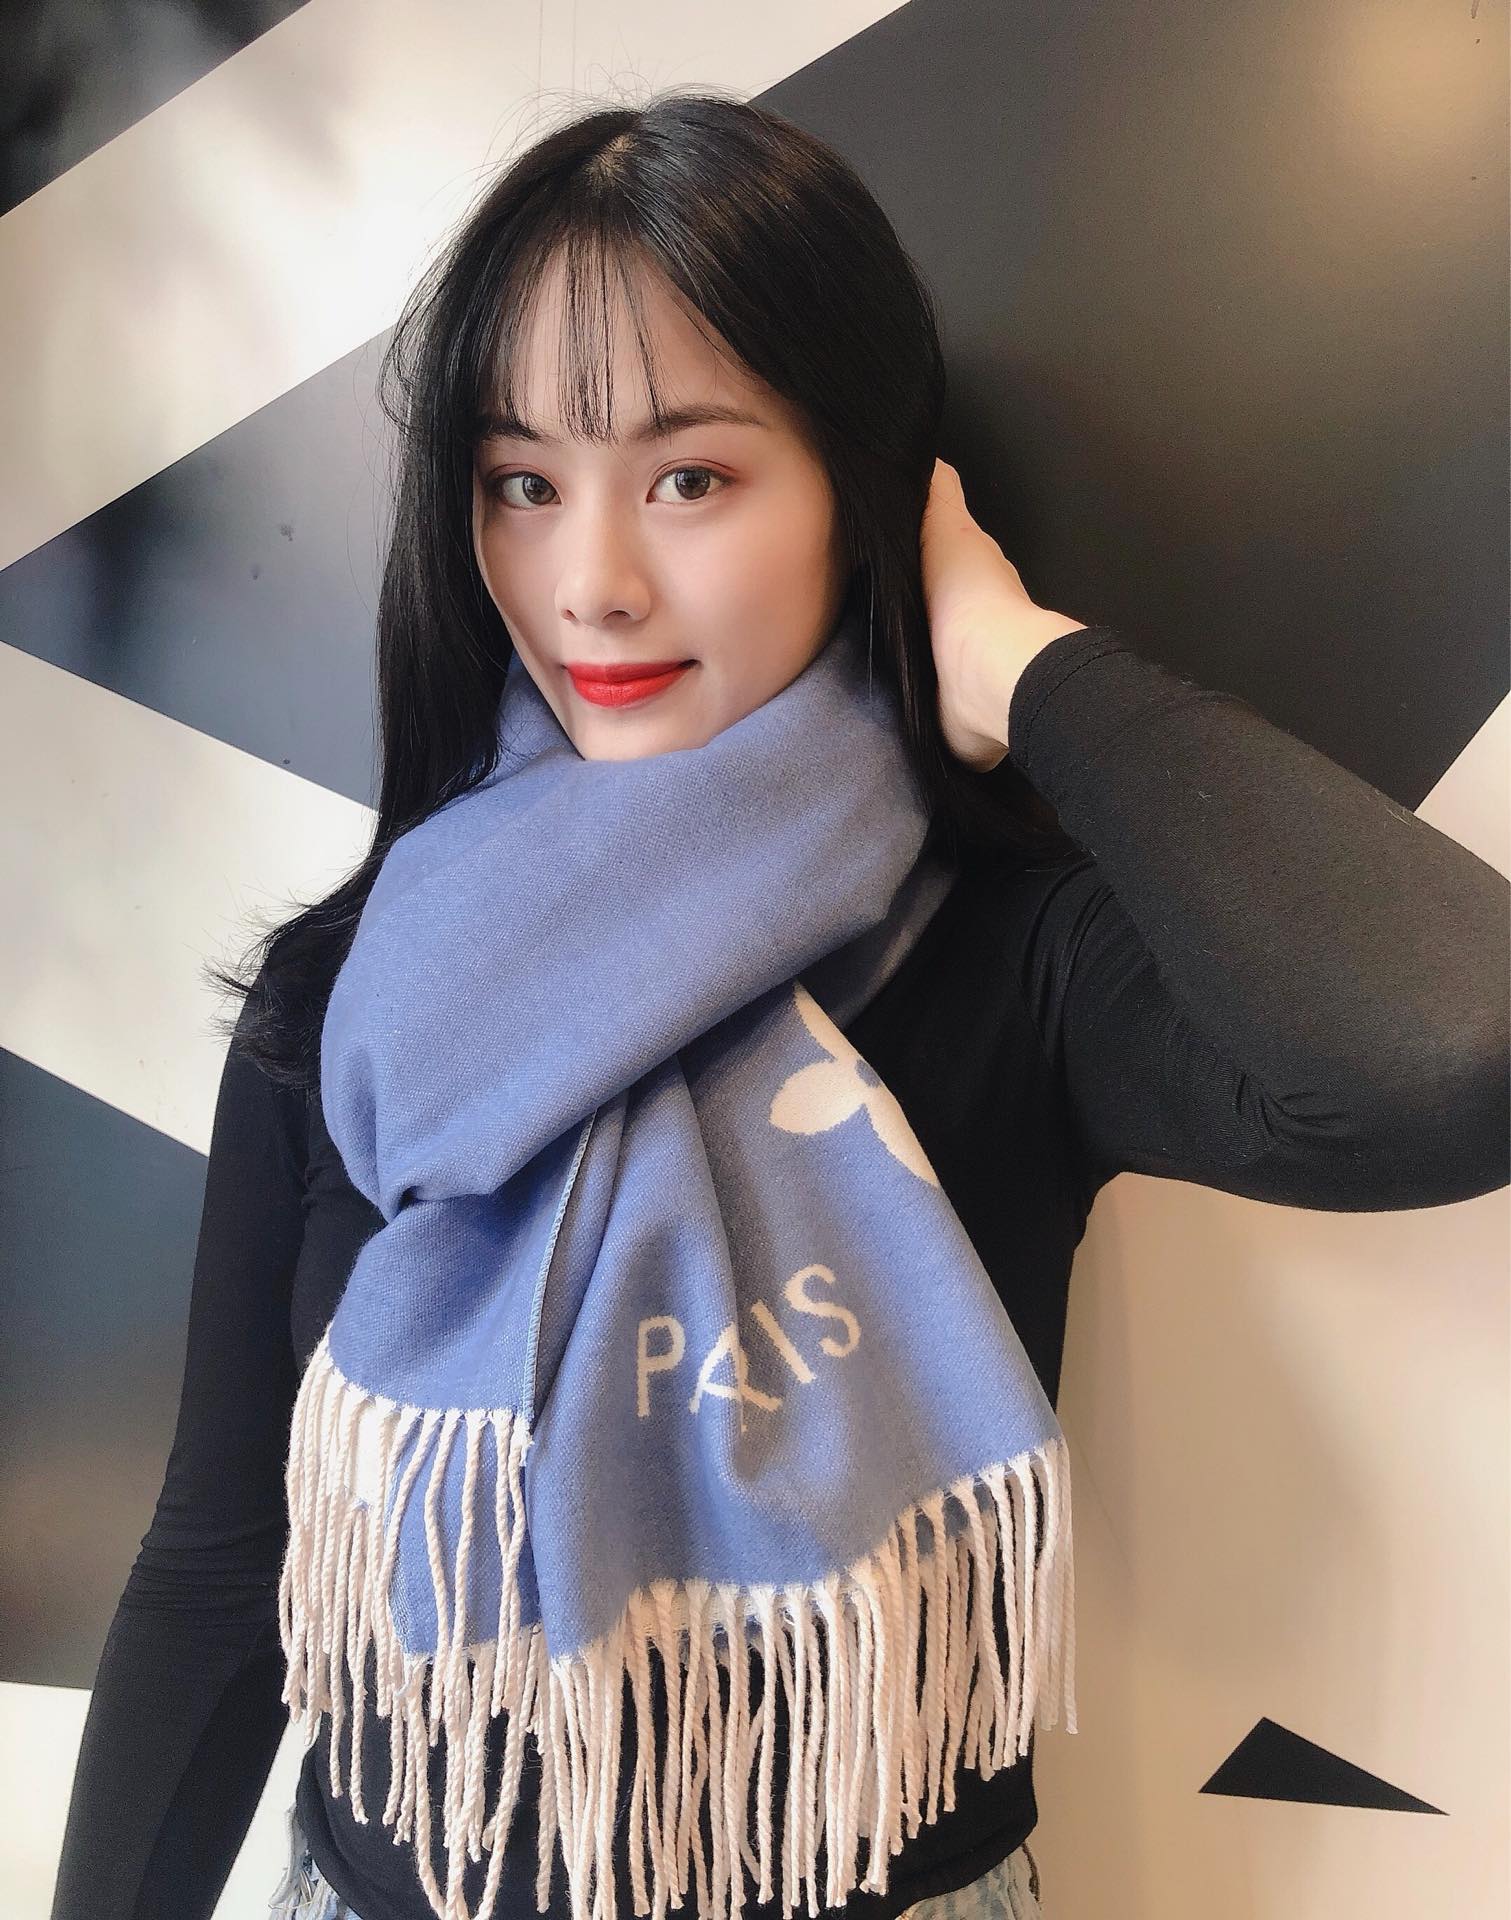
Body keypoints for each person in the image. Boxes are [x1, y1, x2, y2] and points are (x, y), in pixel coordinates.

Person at [47, 90, 1508, 1920]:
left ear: (861, 497)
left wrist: (1016, 660)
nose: (589, 585)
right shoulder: (360, 992)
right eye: (523, 484)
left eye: (690, 478)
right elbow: (218, 1565)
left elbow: (1451, 1055)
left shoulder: (1008, 959)